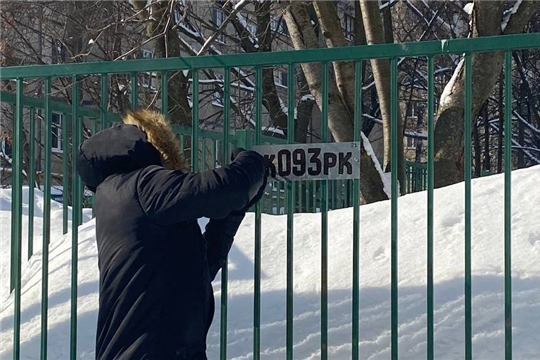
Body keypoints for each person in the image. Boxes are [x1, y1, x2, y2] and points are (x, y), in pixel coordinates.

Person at [76, 109, 272, 360]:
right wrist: (252, 161)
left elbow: (194, 269)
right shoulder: (144, 185)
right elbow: (227, 188)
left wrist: (235, 211)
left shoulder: (121, 195)